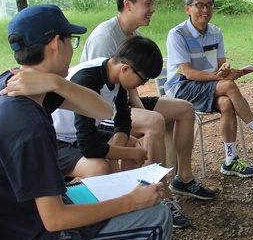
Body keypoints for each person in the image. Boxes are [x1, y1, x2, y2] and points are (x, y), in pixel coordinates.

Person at [0, 4, 172, 240]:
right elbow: (55, 220)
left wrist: (57, 83)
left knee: (126, 200)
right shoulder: (27, 124)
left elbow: (101, 110)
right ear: (55, 43)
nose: (73, 49)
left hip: (20, 226)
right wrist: (132, 201)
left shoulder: (11, 84)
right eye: (71, 41)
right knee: (156, 217)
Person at [81, 0, 215, 227]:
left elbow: (128, 88)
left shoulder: (133, 32)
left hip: (125, 101)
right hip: (101, 110)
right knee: (153, 121)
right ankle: (158, 193)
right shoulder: (104, 37)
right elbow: (104, 92)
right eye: (148, 3)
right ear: (128, 4)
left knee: (184, 109)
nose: (152, 9)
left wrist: (139, 108)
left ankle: (183, 178)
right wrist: (140, 115)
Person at [52, 36, 192, 228]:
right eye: (143, 80)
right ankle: (111, 219)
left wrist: (120, 144)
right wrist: (131, 153)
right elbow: (88, 147)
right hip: (56, 140)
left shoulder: (115, 75)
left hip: (80, 133)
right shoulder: (87, 80)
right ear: (126, 69)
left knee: (131, 142)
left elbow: (123, 120)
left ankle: (131, 199)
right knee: (100, 167)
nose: (142, 85)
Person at [165, 0, 253, 177]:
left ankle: (230, 160)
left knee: (226, 103)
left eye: (209, 5)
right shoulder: (177, 34)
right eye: (199, 5)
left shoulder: (215, 32)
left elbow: (221, 65)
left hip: (208, 86)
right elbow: (189, 73)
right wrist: (221, 77)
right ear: (187, 8)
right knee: (229, 86)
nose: (205, 10)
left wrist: (226, 69)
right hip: (181, 89)